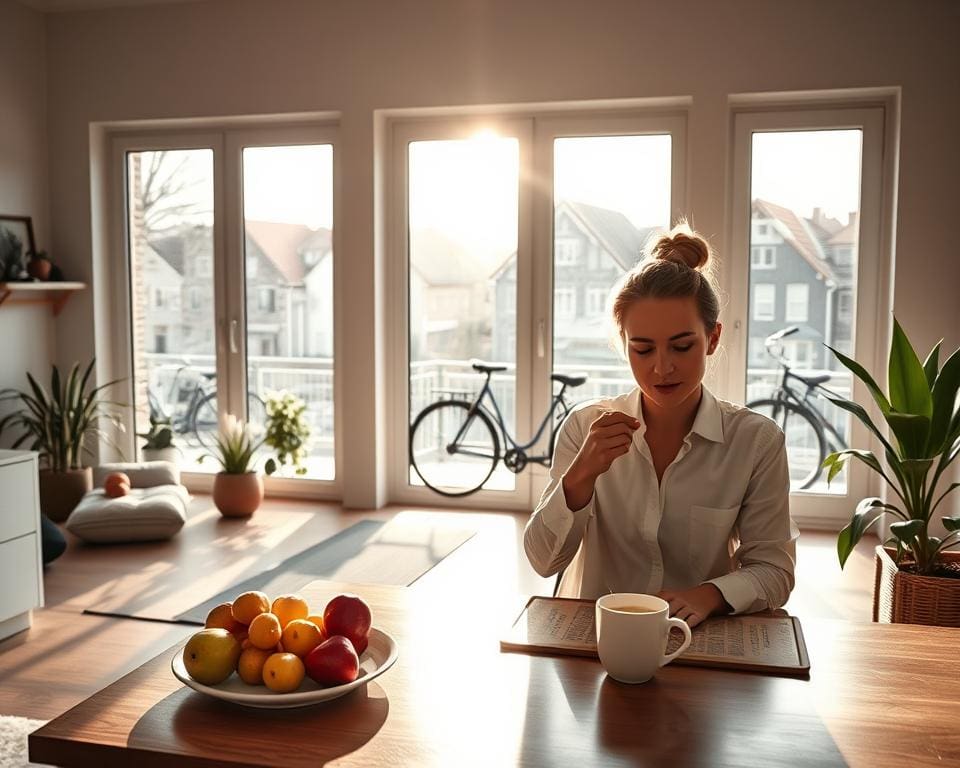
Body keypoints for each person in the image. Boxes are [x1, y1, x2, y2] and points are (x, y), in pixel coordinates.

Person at [524, 223, 797, 628]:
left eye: (682, 346)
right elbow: (543, 562)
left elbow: (775, 570)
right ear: (623, 344)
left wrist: (711, 594)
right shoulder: (586, 426)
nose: (662, 367)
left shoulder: (755, 441)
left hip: (695, 638)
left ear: (713, 338)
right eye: (643, 348)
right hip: (594, 642)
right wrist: (580, 476)